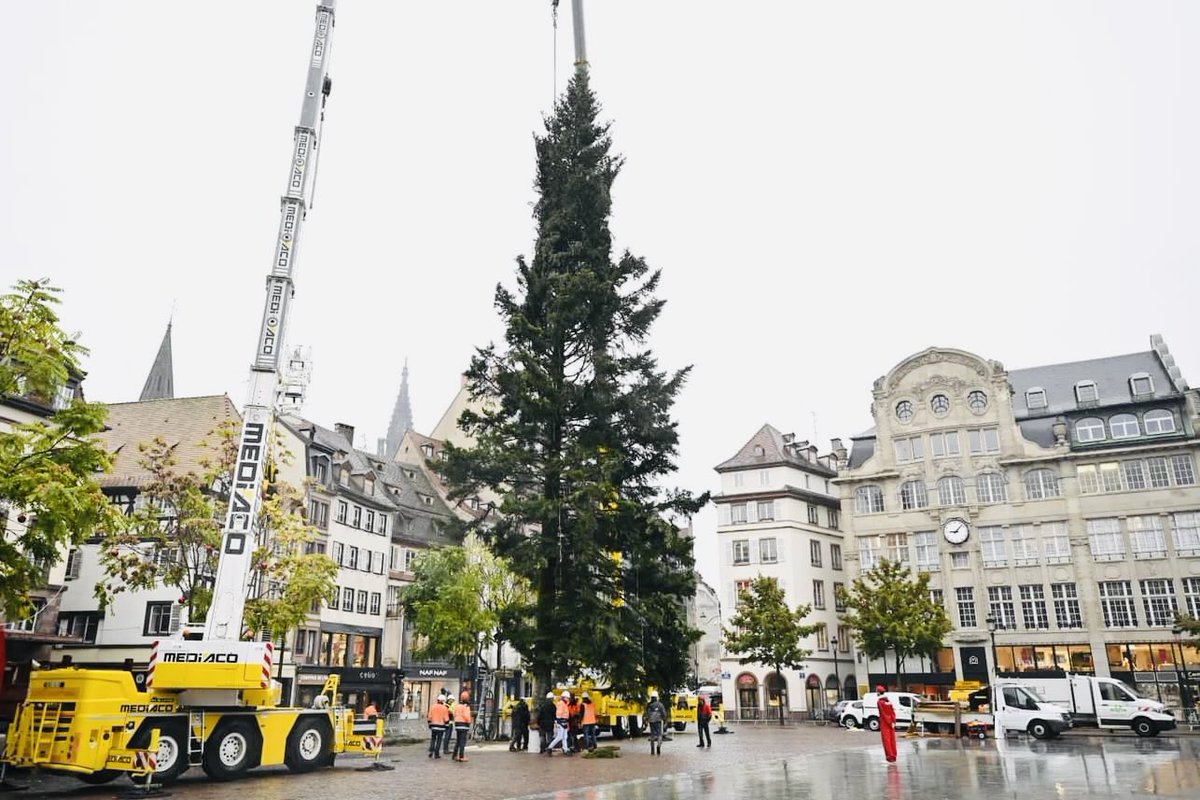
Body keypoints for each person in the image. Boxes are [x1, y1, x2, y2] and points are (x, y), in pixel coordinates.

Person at [547, 690, 573, 756]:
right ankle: (550, 747)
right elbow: (558, 714)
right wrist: (561, 722)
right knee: (560, 737)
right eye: (567, 698)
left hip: (563, 721)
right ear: (564, 697)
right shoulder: (561, 704)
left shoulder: (563, 704)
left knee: (565, 737)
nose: (568, 699)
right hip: (561, 721)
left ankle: (565, 749)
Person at [876, 685, 897, 763]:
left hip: (885, 723)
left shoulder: (880, 702)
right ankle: (894, 755)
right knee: (892, 740)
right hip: (891, 722)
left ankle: (889, 756)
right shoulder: (888, 701)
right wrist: (893, 721)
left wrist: (888, 721)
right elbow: (892, 712)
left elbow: (883, 713)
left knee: (886, 740)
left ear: (878, 692)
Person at [427, 694, 450, 759]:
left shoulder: (433, 707)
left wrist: (429, 723)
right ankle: (436, 753)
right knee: (439, 740)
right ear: (443, 701)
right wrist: (447, 725)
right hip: (441, 727)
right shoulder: (444, 708)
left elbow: (429, 716)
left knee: (433, 739)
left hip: (433, 726)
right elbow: (446, 718)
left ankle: (431, 751)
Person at [645, 691, 668, 756]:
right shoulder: (660, 704)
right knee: (659, 734)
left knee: (652, 735)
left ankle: (652, 750)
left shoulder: (649, 705)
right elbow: (664, 713)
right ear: (656, 697)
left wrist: (646, 720)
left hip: (651, 721)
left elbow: (647, 714)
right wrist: (665, 720)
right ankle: (658, 745)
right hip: (658, 721)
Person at [453, 690, 472, 762]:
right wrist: (469, 722)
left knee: (458, 741)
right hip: (464, 725)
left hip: (457, 724)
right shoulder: (466, 707)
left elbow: (454, 714)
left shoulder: (457, 706)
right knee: (462, 742)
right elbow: (466, 716)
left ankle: (454, 755)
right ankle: (461, 756)